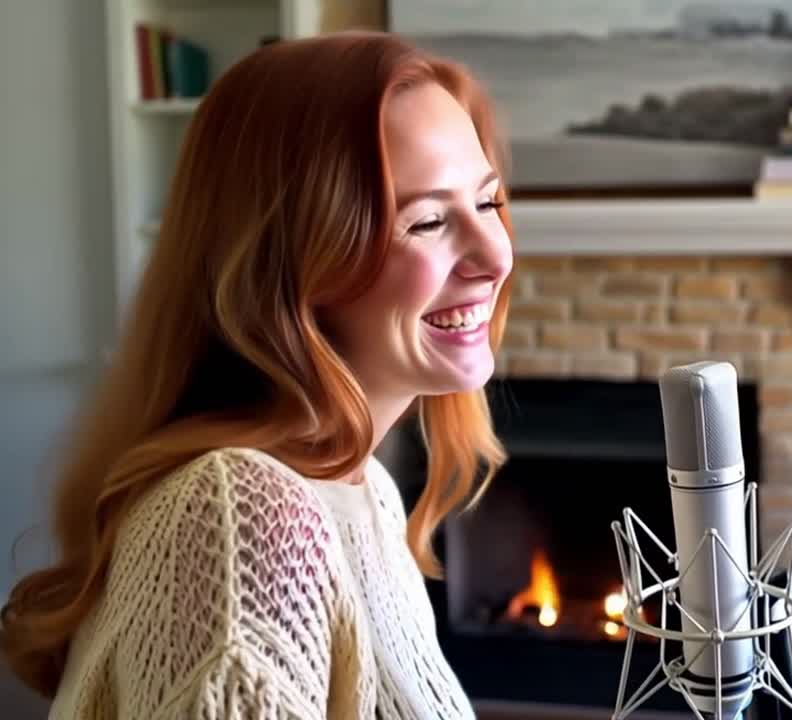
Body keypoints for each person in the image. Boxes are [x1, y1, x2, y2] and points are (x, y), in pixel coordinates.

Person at [0, 31, 514, 718]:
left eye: (487, 203)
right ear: (294, 264)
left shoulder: (365, 491)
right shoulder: (241, 518)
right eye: (425, 223)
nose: (492, 255)